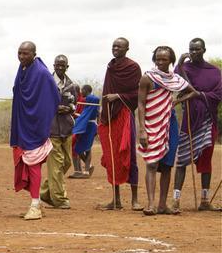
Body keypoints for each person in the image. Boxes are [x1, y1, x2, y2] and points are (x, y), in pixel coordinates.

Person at [137, 46, 198, 215]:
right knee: (151, 163)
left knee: (167, 165)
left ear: (171, 61)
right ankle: (151, 204)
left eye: (164, 59)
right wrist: (142, 130)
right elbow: (141, 104)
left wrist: (176, 102)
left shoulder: (175, 79)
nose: (160, 62)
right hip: (151, 123)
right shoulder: (147, 78)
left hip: (169, 123)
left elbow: (193, 92)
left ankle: (162, 205)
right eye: (158, 58)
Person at [11, 42, 59, 220]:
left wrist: (40, 118)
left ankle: (35, 205)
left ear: (34, 54)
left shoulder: (41, 73)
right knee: (28, 163)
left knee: (33, 164)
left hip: (35, 126)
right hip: (23, 123)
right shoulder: (23, 70)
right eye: (19, 53)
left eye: (25, 54)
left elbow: (54, 96)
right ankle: (35, 202)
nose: (22, 57)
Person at [172, 38, 222, 212]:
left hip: (208, 120)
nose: (193, 53)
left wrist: (197, 94)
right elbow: (178, 84)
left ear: (204, 50)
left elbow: (218, 95)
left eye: (197, 50)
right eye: (191, 50)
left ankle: (205, 200)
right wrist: (179, 62)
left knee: (206, 160)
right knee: (182, 160)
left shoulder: (215, 72)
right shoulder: (183, 68)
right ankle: (175, 200)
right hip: (189, 120)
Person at [97, 38, 142, 210]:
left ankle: (135, 200)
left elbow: (138, 92)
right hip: (109, 115)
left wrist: (118, 96)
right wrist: (103, 113)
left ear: (127, 49)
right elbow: (106, 90)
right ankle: (116, 200)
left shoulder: (133, 67)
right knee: (111, 157)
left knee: (129, 155)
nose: (116, 49)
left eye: (119, 46)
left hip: (124, 114)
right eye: (114, 46)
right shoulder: (111, 66)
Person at [40, 55, 76, 209]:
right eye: (58, 65)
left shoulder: (71, 85)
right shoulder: (46, 83)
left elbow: (74, 104)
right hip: (51, 128)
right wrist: (54, 108)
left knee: (67, 162)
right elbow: (40, 103)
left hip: (67, 127)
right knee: (56, 164)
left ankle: (45, 192)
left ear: (67, 67)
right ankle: (59, 199)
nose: (60, 67)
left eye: (63, 65)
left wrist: (69, 108)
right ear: (53, 65)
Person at [70, 85, 99, 178]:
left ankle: (86, 172)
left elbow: (96, 99)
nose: (81, 92)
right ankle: (87, 168)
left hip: (90, 126)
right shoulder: (86, 101)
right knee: (79, 148)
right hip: (85, 125)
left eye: (82, 90)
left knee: (87, 148)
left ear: (86, 90)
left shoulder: (91, 99)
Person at [69, 84, 85, 178]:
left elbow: (83, 115)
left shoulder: (82, 101)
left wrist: (73, 113)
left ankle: (80, 170)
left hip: (80, 127)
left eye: (73, 91)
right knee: (75, 148)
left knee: (75, 147)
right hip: (74, 126)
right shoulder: (74, 100)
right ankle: (78, 170)